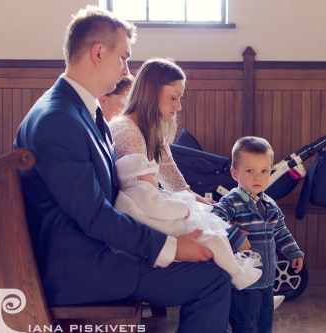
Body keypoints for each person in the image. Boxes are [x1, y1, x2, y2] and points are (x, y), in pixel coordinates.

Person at [13, 6, 230, 333]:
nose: (127, 68)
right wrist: (169, 246)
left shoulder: (79, 110)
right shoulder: (57, 119)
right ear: (98, 52)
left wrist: (172, 228)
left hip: (95, 256)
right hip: (83, 270)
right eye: (124, 58)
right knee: (213, 277)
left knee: (212, 259)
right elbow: (94, 216)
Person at [114, 153, 262, 290]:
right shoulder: (140, 189)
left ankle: (235, 265)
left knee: (217, 235)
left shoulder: (137, 192)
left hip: (172, 231)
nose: (155, 178)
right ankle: (237, 274)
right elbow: (158, 208)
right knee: (214, 239)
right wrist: (183, 209)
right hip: (174, 232)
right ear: (139, 177)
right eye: (152, 175)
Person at [211, 136, 305, 333]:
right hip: (244, 284)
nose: (258, 177)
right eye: (250, 171)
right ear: (234, 173)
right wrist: (235, 236)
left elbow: (280, 231)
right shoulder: (232, 201)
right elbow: (214, 219)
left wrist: (293, 252)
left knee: (264, 326)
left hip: (267, 281)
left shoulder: (270, 204)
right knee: (245, 327)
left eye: (264, 171)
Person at [109, 57, 213, 205]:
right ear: (152, 91)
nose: (178, 107)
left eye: (179, 99)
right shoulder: (127, 132)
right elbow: (142, 202)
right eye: (173, 98)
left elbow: (178, 187)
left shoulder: (154, 134)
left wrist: (211, 209)